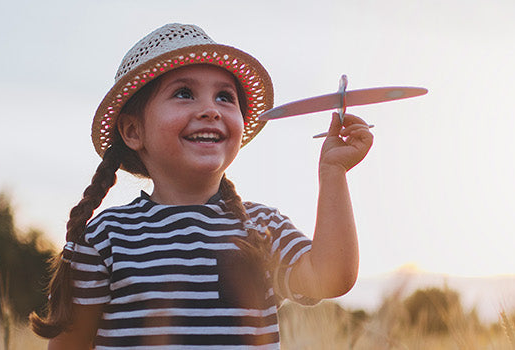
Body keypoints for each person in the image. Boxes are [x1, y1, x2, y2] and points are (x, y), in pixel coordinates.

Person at [28, 23, 373, 349]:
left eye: (225, 97)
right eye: (184, 93)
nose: (210, 109)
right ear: (133, 131)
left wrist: (333, 173)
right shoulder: (105, 238)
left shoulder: (262, 229)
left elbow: (332, 277)